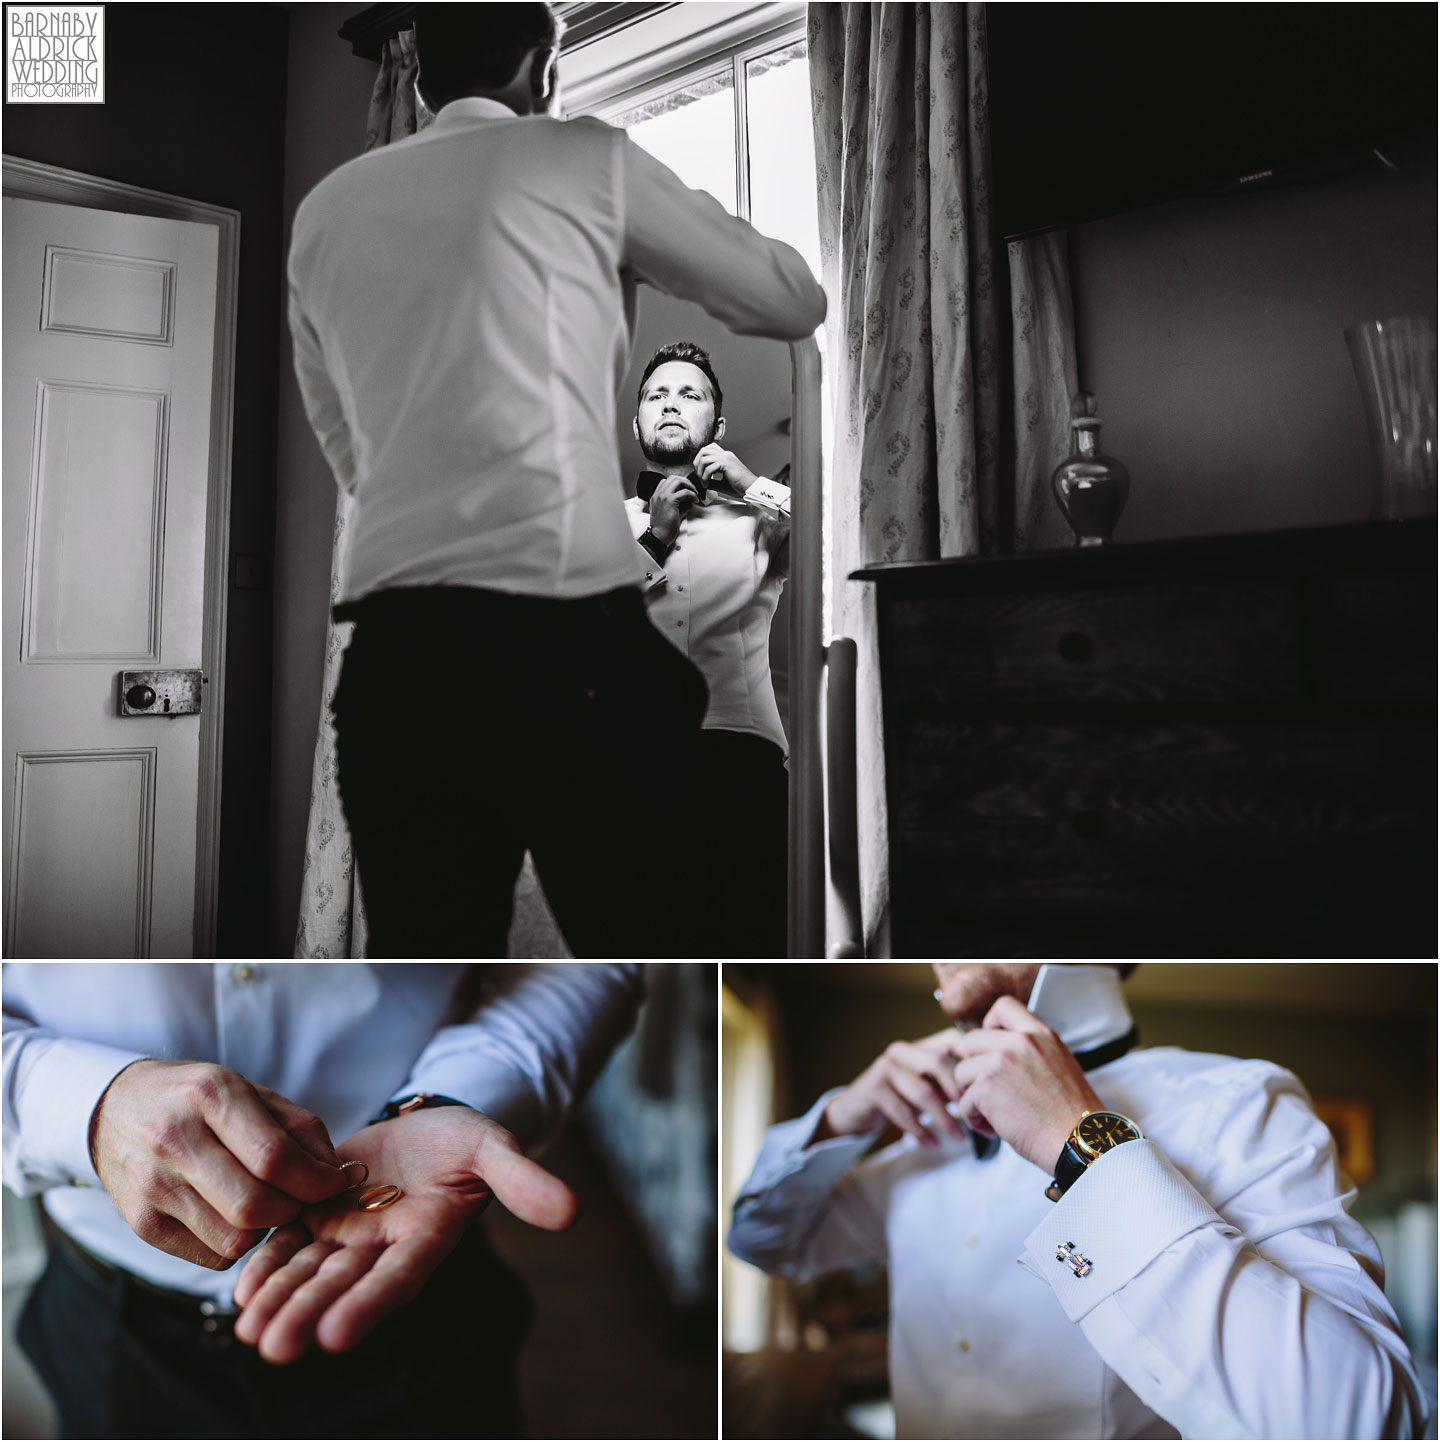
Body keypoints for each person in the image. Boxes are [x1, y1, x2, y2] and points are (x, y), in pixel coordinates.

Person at [286, 4, 826, 958]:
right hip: (568, 646)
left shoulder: (324, 211)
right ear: (544, 69)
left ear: (417, 79)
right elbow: (790, 299)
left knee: (431, 976)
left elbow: (352, 453)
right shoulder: (584, 159)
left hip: (399, 665)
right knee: (657, 968)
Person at [727, 963, 1427, 1439]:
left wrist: (1083, 1144)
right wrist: (841, 1118)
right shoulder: (919, 1132)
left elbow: (1364, 1423)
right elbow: (760, 1238)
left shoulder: (1239, 1104)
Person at [4, 961, 642, 1438]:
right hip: (117, 1343)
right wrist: (83, 1106)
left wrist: (457, 1095)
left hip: (415, 1303)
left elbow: (582, 947)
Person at [626, 341, 793, 957]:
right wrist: (655, 538)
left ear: (716, 428)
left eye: (689, 394)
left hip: (741, 767)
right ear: (638, 421)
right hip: (628, 771)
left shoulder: (764, 523)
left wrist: (754, 487)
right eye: (656, 395)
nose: (671, 404)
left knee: (748, 946)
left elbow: (850, 533)